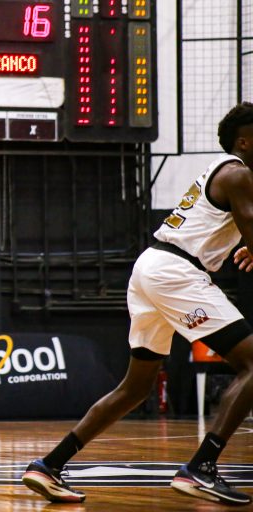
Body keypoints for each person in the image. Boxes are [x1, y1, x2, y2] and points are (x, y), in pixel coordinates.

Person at [22, 102, 253, 506]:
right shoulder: (239, 173)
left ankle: (49, 464)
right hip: (177, 272)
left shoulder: (225, 172)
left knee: (135, 388)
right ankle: (201, 468)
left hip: (153, 266)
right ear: (245, 141)